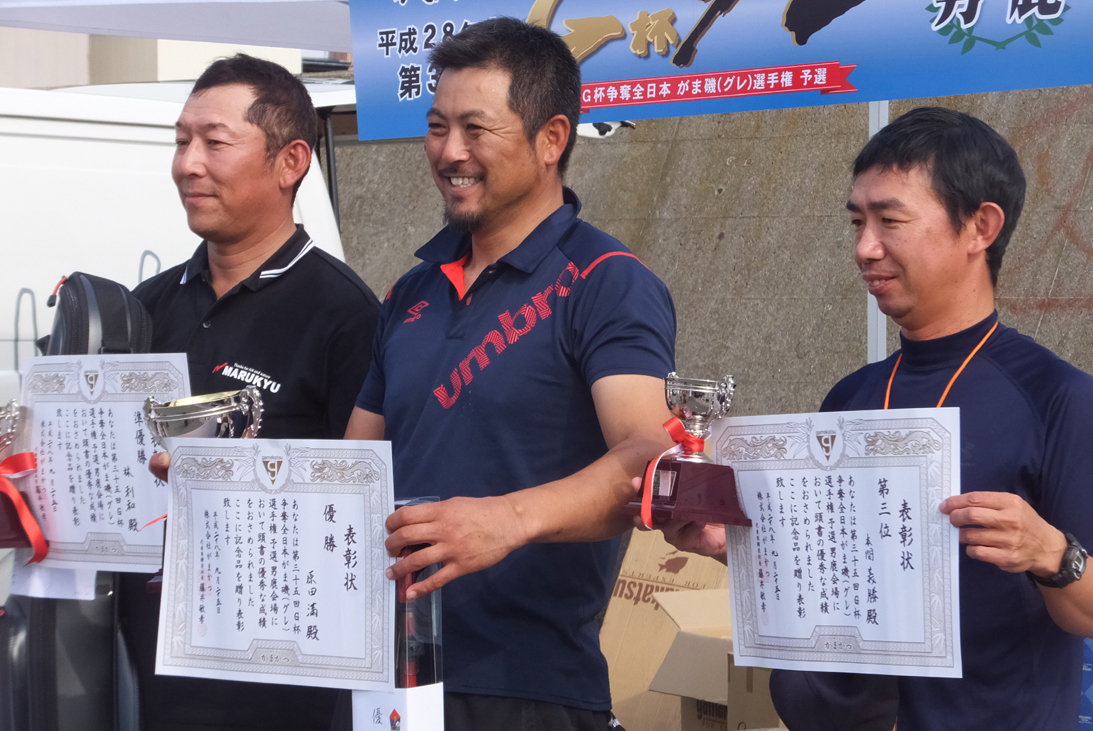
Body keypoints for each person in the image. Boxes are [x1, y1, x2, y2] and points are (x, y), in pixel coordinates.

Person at [655, 107, 1093, 730]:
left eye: (891, 220)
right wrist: (739, 552)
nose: (865, 247)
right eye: (858, 221)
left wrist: (1051, 553)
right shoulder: (850, 400)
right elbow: (831, 580)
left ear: (981, 226)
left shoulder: (1057, 398)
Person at [343, 17, 677, 730]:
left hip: (529, 689)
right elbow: (352, 470)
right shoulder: (410, 292)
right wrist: (225, 484)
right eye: (437, 127)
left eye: (475, 129)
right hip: (389, 677)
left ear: (551, 139)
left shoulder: (606, 281)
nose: (449, 152)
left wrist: (506, 521)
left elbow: (650, 456)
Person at [126, 54, 381, 731]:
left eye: (214, 142)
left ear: (291, 161)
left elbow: (361, 510)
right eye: (181, 141)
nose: (188, 164)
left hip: (274, 683)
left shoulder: (344, 314)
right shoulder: (146, 307)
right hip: (142, 670)